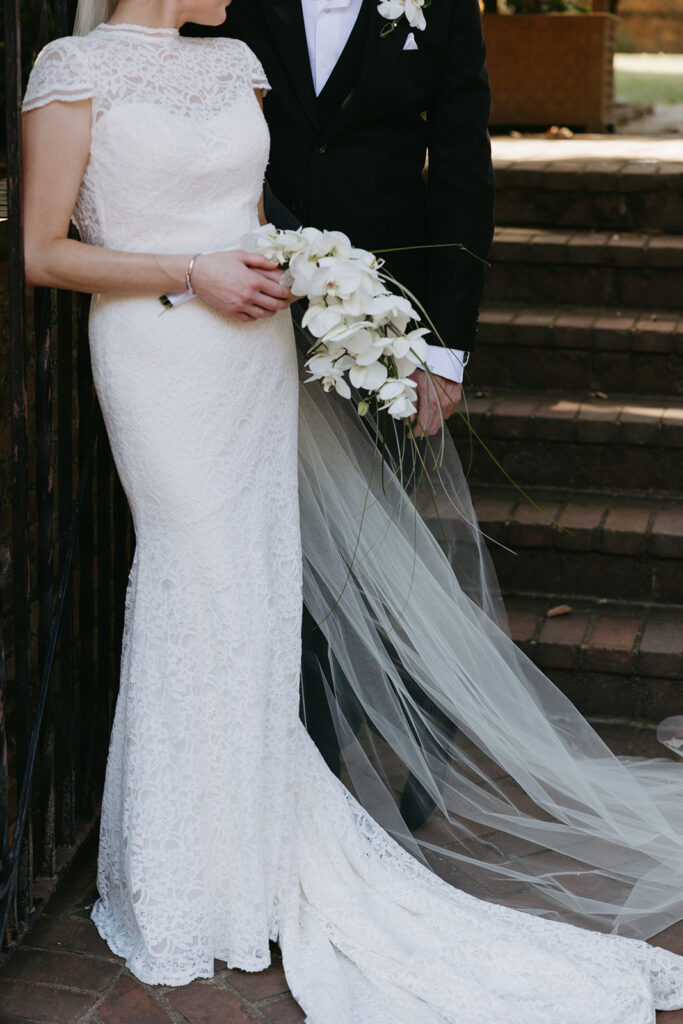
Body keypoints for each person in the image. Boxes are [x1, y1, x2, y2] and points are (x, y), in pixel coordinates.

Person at [21, 0, 683, 1018]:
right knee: (193, 579)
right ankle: (184, 871)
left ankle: (250, 854)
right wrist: (190, 272)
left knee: (255, 587)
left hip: (254, 356)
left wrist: (328, 285)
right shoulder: (72, 69)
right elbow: (42, 250)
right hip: (159, 354)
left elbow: (267, 213)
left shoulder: (235, 62)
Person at [180, 0, 494, 821]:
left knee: (357, 542)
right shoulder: (224, 1)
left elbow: (462, 166)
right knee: (267, 540)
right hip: (244, 300)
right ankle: (312, 785)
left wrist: (443, 349)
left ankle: (403, 709)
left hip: (379, 322)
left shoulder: (440, 8)